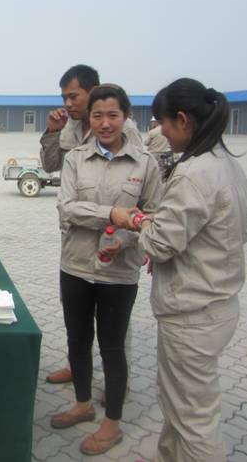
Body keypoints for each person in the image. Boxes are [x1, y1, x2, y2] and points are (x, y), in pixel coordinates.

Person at [118, 78, 247, 461]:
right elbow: (240, 229)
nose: (159, 132)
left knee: (194, 418)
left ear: (183, 119)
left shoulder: (194, 173)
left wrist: (139, 221)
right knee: (178, 404)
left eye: (162, 122)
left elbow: (160, 243)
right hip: (217, 303)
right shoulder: (227, 164)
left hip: (193, 313)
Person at [52, 84, 161, 455]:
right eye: (97, 115)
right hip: (76, 266)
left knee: (112, 347)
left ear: (126, 116)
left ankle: (112, 423)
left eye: (113, 115)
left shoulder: (145, 163)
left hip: (119, 272)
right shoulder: (75, 159)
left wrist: (126, 237)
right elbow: (67, 208)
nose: (105, 123)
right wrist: (113, 215)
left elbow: (153, 215)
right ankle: (82, 403)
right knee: (77, 340)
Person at [40, 65, 142, 386]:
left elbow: (142, 189)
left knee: (114, 322)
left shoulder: (127, 132)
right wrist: (52, 132)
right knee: (76, 316)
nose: (67, 104)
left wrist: (128, 232)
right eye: (64, 97)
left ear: (93, 91)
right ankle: (77, 366)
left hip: (116, 239)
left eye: (74, 96)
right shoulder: (70, 126)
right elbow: (51, 165)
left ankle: (116, 383)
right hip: (77, 234)